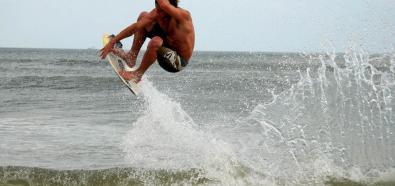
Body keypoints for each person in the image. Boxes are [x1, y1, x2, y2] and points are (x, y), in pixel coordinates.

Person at [100, 0, 195, 83]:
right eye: (157, 9)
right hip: (166, 43)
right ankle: (131, 57)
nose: (158, 14)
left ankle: (138, 74)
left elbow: (164, 4)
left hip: (178, 61)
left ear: (170, 9)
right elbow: (136, 27)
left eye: (162, 12)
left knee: (156, 41)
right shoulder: (157, 12)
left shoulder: (183, 17)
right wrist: (113, 42)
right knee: (143, 16)